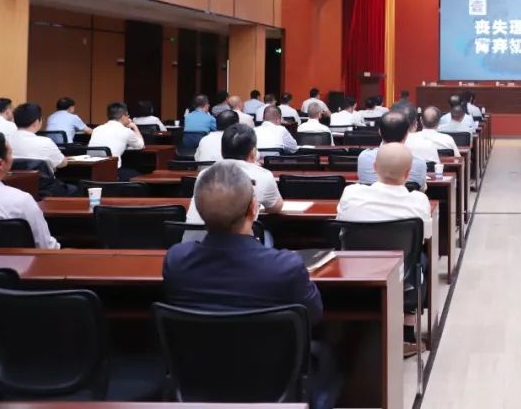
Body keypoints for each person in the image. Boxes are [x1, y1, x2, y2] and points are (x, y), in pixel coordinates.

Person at [163, 160, 313, 320]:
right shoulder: (287, 267)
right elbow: (312, 314)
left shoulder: (176, 261)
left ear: (198, 210)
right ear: (253, 208)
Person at [187, 123, 283, 226]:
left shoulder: (204, 174)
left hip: (194, 235)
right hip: (234, 236)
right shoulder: (263, 176)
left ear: (221, 151)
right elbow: (275, 207)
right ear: (253, 153)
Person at [337, 143, 432, 239]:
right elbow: (426, 235)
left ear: (375, 167)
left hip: (356, 249)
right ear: (408, 174)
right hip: (403, 249)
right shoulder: (420, 201)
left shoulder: (351, 193)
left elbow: (340, 225)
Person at [0, 131, 59, 248]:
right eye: (11, 153)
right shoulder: (21, 201)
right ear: (1, 163)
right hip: (16, 260)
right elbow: (45, 246)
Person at [357, 111, 428, 189]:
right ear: (406, 134)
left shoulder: (364, 157)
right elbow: (421, 190)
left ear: (379, 132)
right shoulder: (419, 162)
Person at [10, 103, 67, 174]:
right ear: (36, 122)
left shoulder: (5, 141)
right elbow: (62, 163)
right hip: (42, 181)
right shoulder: (46, 142)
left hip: (13, 180)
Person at [89, 102, 145, 171]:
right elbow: (141, 146)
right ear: (123, 117)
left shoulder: (97, 129)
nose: (128, 117)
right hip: (113, 171)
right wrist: (134, 127)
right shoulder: (126, 131)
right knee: (139, 172)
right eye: (127, 115)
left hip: (92, 170)